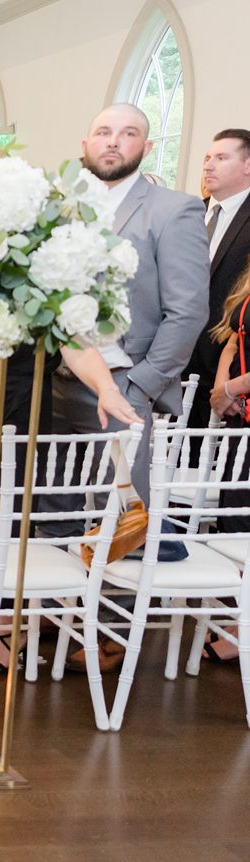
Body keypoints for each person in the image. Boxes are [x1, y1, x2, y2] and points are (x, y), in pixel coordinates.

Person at [49, 104, 208, 502]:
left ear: (147, 146)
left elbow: (187, 310)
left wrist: (142, 384)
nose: (114, 142)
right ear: (85, 143)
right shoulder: (58, 208)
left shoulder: (174, 209)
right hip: (53, 379)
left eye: (128, 133)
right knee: (49, 512)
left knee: (120, 518)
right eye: (104, 132)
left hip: (123, 380)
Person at [185, 129, 250, 434]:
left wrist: (228, 378)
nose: (208, 165)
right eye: (207, 158)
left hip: (227, 366)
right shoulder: (188, 214)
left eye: (221, 158)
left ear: (248, 165)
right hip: (178, 364)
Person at [204, 261, 250, 661]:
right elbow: (233, 340)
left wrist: (233, 387)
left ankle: (240, 630)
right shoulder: (247, 278)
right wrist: (222, 389)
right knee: (233, 517)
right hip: (240, 418)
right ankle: (235, 623)